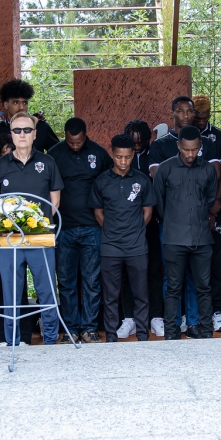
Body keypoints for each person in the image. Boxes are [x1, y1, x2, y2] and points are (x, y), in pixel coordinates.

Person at [0, 111, 63, 346]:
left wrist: (37, 226)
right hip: (8, 240)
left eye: (27, 130)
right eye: (17, 130)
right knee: (11, 295)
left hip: (40, 238)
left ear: (35, 134)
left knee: (47, 291)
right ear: (11, 134)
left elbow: (54, 201)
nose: (22, 134)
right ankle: (13, 343)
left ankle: (50, 341)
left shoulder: (47, 162)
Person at [149, 96, 221, 333]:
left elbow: (211, 199)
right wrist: (172, 219)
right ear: (179, 146)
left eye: (195, 150)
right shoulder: (166, 169)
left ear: (200, 147)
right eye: (186, 150)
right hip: (173, 237)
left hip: (201, 238)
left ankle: (203, 328)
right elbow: (158, 201)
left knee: (203, 286)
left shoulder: (208, 169)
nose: (191, 155)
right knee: (172, 286)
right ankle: (171, 331)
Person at [48, 117, 112, 343]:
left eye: (78, 142)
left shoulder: (99, 153)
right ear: (65, 136)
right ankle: (70, 328)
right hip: (63, 228)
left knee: (92, 280)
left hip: (91, 228)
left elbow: (108, 184)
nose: (75, 145)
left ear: (86, 135)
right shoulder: (54, 154)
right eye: (71, 142)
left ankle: (89, 328)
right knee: (65, 281)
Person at [91, 134, 155, 342]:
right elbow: (98, 212)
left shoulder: (141, 180)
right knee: (110, 295)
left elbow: (147, 211)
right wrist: (111, 230)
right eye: (119, 157)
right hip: (110, 247)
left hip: (137, 246)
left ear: (132, 155)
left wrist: (135, 230)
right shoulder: (101, 181)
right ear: (112, 154)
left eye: (127, 157)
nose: (123, 162)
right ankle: (111, 336)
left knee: (141, 294)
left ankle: (143, 335)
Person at [193, 94, 221, 333]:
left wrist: (217, 203)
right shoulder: (183, 138)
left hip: (215, 209)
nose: (200, 122)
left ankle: (218, 310)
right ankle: (196, 311)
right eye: (196, 117)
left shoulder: (219, 137)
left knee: (216, 261)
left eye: (204, 117)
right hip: (189, 213)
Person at [124, 119, 163, 336]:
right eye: (133, 143)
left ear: (149, 139)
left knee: (154, 270)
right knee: (127, 271)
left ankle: (156, 316)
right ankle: (129, 318)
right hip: (127, 226)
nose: (137, 147)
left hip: (152, 223)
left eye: (141, 143)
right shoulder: (123, 159)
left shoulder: (154, 156)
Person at [0, 79, 59, 160]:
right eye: (16, 102)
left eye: (24, 103)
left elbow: (59, 153)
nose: (21, 107)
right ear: (6, 105)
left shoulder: (41, 127)